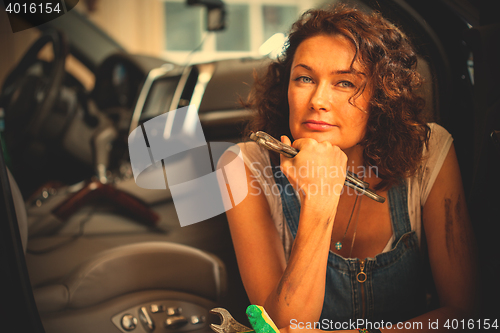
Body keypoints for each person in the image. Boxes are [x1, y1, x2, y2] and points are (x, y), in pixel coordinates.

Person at [218, 4, 478, 332]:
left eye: (344, 83)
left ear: (383, 96)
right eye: (304, 78)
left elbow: (465, 312)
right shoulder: (242, 166)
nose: (317, 100)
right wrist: (319, 199)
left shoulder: (431, 152)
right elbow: (283, 327)